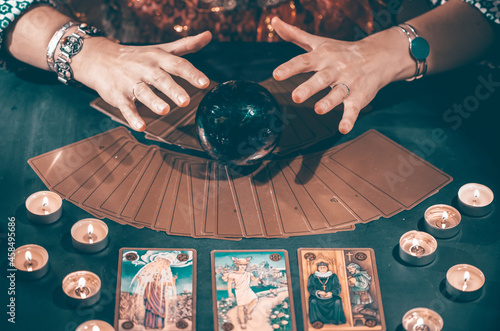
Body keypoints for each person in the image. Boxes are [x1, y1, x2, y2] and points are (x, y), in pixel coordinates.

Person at [0, 0, 498, 134]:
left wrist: (391, 51)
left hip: (351, 84)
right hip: (120, 80)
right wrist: (80, 51)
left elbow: (486, 9)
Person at [222, 256, 260, 329]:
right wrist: (230, 292)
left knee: (255, 300)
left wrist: (259, 278)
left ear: (246, 265)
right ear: (237, 265)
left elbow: (254, 280)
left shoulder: (248, 274)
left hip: (248, 290)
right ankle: (242, 323)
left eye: (244, 265)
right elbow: (229, 283)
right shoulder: (233, 274)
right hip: (239, 291)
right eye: (241, 265)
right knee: (240, 308)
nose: (242, 266)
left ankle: (248, 313)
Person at [307, 261, 346, 325]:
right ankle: (316, 321)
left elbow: (337, 286)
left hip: (331, 297)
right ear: (318, 268)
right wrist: (318, 292)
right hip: (318, 297)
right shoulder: (313, 277)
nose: (322, 269)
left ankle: (336, 320)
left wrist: (332, 293)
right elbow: (310, 288)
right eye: (320, 267)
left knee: (337, 301)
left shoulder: (333, 276)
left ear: (327, 268)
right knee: (313, 301)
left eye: (324, 267)